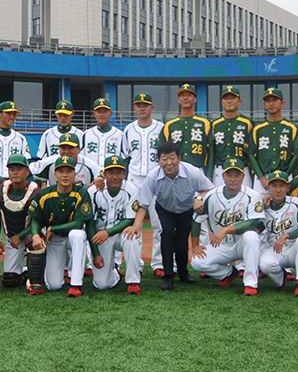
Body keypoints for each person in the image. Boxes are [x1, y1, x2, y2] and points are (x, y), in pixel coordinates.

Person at [129, 141, 213, 291]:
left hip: (187, 209)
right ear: (159, 161)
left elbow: (209, 189)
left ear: (179, 158)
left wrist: (199, 198)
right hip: (165, 209)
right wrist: (136, 226)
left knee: (181, 242)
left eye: (172, 158)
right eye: (164, 159)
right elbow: (144, 204)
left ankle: (183, 272)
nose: (169, 163)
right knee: (167, 233)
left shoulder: (192, 172)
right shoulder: (152, 177)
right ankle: (168, 275)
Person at [18, 156, 102, 297]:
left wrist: (96, 254)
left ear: (74, 174)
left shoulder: (81, 192)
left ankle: (76, 284)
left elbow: (79, 223)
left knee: (77, 234)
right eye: (61, 171)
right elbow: (36, 219)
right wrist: (36, 234)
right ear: (55, 175)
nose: (65, 175)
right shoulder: (44, 194)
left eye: (69, 171)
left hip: (71, 236)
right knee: (53, 285)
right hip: (54, 239)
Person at [190, 158, 265, 296]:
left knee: (252, 236)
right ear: (223, 176)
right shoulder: (211, 196)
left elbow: (252, 223)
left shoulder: (253, 196)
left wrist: (226, 230)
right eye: (229, 175)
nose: (233, 179)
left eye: (237, 175)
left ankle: (250, 284)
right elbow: (196, 219)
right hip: (221, 245)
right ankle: (229, 274)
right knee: (197, 262)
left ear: (243, 176)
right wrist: (194, 245)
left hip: (243, 244)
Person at [122, 92, 167, 276]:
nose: (142, 108)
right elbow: (125, 157)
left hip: (156, 178)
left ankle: (159, 263)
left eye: (145, 105)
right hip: (134, 180)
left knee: (159, 224)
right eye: (139, 105)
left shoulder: (161, 128)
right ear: (134, 108)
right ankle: (137, 265)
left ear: (152, 108)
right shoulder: (128, 129)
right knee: (134, 223)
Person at [88, 156, 143, 295]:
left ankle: (133, 281)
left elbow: (130, 219)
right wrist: (95, 253)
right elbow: (90, 222)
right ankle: (114, 274)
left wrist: (107, 233)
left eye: (119, 172)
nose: (115, 176)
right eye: (111, 172)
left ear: (124, 174)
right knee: (101, 285)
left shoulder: (131, 189)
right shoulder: (93, 191)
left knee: (132, 238)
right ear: (104, 174)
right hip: (101, 237)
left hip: (121, 233)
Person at [259, 171, 298, 297]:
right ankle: (281, 279)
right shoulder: (263, 206)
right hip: (275, 250)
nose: (278, 190)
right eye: (274, 186)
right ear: (268, 188)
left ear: (288, 188)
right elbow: (257, 226)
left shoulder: (297, 202)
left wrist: (286, 236)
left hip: (294, 248)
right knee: (265, 264)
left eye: (282, 185)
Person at [0, 154, 41, 292]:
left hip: (31, 235)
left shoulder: (35, 191)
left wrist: (20, 236)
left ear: (27, 171)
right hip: (12, 237)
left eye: (19, 169)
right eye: (12, 169)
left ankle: (37, 270)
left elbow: (38, 220)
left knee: (43, 277)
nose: (15, 172)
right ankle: (25, 272)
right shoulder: (0, 190)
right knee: (9, 280)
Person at [251, 88, 298, 189]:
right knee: (258, 200)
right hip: (263, 178)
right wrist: (261, 177)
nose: (271, 103)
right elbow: (250, 154)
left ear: (282, 103)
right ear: (264, 105)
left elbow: (297, 153)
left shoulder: (292, 128)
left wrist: (286, 175)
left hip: (285, 175)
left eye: (274, 100)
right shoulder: (257, 129)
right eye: (268, 101)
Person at [207, 85, 255, 188]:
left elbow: (252, 150)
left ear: (239, 101)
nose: (229, 101)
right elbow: (212, 151)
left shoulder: (248, 122)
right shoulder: (215, 124)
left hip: (242, 169)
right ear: (222, 102)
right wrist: (209, 174)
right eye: (226, 98)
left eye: (233, 98)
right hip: (220, 170)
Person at [159, 83, 211, 173]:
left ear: (195, 99)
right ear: (179, 100)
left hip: (197, 168)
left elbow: (211, 150)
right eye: (182, 95)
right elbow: (161, 149)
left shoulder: (204, 123)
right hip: (175, 170)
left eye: (189, 95)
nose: (185, 98)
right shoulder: (170, 125)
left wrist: (209, 173)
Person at [30, 133, 102, 188]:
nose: (67, 152)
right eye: (63, 148)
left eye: (70, 148)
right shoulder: (50, 162)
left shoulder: (87, 164)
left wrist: (100, 178)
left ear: (79, 149)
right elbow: (29, 169)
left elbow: (102, 173)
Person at [82, 98, 125, 169]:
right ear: (94, 114)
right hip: (91, 174)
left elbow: (125, 158)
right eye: (99, 112)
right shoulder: (86, 134)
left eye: (105, 111)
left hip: (111, 173)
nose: (102, 114)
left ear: (111, 114)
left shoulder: (119, 135)